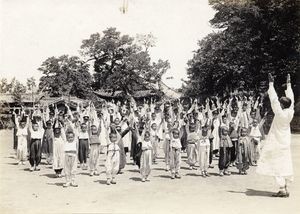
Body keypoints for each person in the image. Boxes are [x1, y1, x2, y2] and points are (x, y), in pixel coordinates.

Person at [256, 74, 294, 198]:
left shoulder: (280, 113)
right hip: (285, 142)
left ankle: (282, 189)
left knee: (275, 164)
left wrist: (271, 84)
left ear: (282, 105)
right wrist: (288, 85)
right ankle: (285, 187)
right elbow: (291, 99)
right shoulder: (290, 111)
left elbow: (273, 100)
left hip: (277, 142)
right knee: (284, 164)